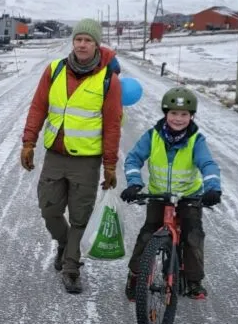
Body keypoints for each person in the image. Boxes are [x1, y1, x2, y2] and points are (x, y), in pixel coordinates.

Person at [20, 18, 123, 294]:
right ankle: (66, 245)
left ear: (96, 44)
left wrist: (110, 165)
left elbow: (112, 125)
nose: (81, 44)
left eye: (88, 40)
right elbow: (38, 107)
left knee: (80, 216)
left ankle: (71, 267)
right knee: (49, 208)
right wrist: (28, 142)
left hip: (86, 162)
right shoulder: (53, 70)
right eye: (78, 39)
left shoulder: (108, 81)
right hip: (55, 154)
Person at [120, 86, 221, 300]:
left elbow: (208, 164)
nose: (178, 119)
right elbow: (133, 159)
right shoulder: (153, 136)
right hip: (159, 195)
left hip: (189, 196)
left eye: (184, 114)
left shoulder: (196, 140)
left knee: (193, 235)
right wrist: (134, 184)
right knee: (148, 234)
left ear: (191, 116)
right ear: (166, 114)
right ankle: (136, 275)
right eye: (174, 113)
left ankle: (193, 280)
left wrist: (213, 188)